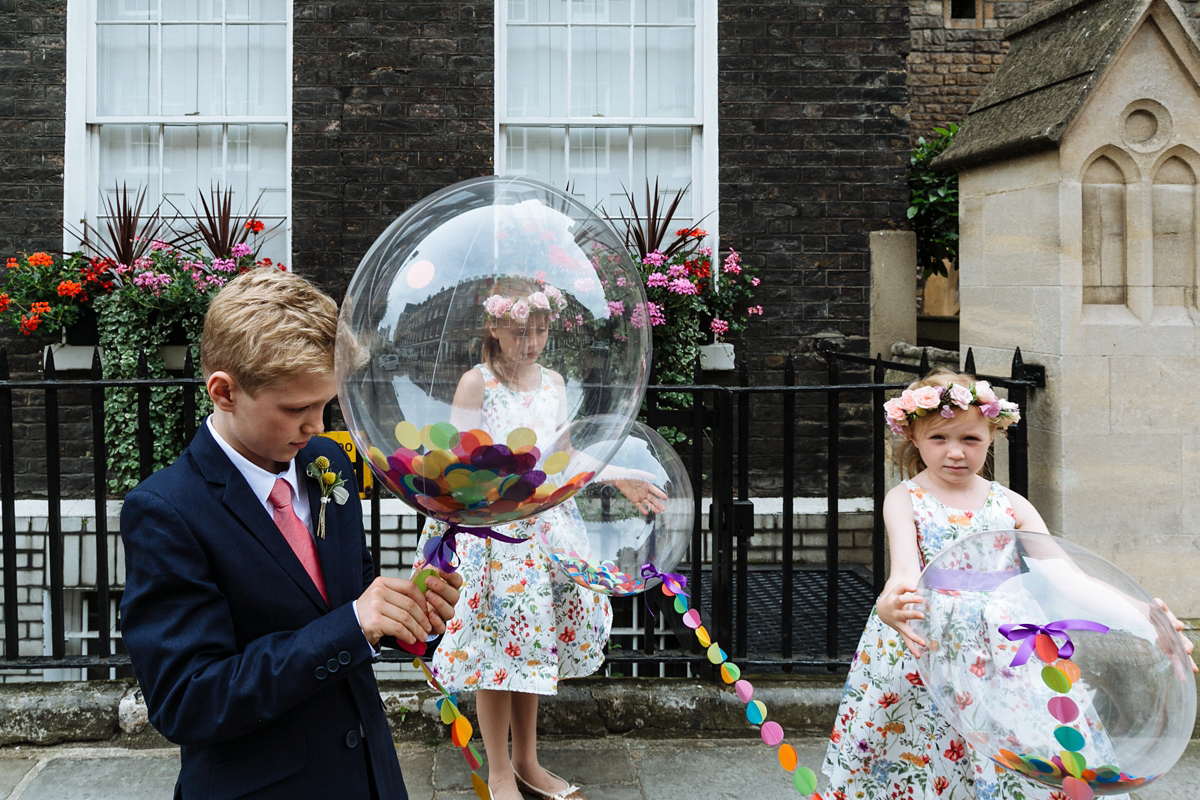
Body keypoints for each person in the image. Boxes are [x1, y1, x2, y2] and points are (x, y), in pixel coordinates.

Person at [119, 267, 463, 800]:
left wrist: (406, 617)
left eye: (326, 404)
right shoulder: (166, 511)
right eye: (297, 409)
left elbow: (347, 590)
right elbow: (188, 699)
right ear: (224, 391)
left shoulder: (326, 462)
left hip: (368, 775)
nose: (319, 426)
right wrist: (351, 626)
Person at [821, 369, 1196, 800]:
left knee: (1022, 738)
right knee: (924, 749)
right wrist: (891, 606)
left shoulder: (1010, 503)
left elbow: (1068, 577)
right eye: (939, 439)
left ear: (992, 436)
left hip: (1006, 645)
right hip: (929, 644)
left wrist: (1144, 614)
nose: (955, 452)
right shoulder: (905, 498)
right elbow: (904, 573)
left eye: (970, 439)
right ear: (914, 437)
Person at [412, 279, 665, 800]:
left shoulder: (553, 382)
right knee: (494, 651)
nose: (531, 341)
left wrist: (618, 475)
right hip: (493, 536)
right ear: (495, 328)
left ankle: (527, 761)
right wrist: (498, 486)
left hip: (543, 534)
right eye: (521, 331)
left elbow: (564, 457)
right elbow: (457, 466)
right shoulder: (475, 383)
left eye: (541, 330)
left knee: (529, 646)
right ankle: (499, 771)